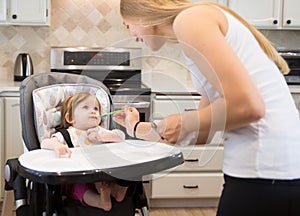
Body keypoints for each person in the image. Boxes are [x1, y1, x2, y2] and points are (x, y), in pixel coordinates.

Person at [113, 1, 300, 215]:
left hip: (266, 171)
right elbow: (202, 134)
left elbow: (248, 106)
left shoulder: (190, 20)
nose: (131, 33)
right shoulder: (193, 28)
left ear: (141, 16)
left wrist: (182, 122)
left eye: (127, 25)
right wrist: (136, 128)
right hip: (275, 173)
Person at [41, 92, 127, 211]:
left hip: (102, 175)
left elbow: (121, 136)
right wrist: (57, 145)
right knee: (80, 189)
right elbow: (44, 143)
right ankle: (101, 202)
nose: (93, 111)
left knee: (127, 169)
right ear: (70, 118)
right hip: (76, 178)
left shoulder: (100, 131)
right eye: (85, 107)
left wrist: (103, 137)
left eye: (96, 108)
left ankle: (117, 192)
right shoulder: (67, 134)